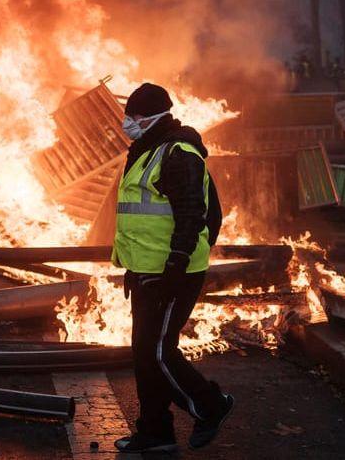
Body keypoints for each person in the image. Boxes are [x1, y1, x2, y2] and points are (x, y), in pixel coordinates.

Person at [111, 83, 234, 453]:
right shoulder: (147, 151)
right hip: (147, 272)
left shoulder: (179, 154)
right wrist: (133, 269)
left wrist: (176, 267)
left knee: (159, 352)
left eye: (132, 117)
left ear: (150, 117)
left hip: (171, 274)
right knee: (143, 354)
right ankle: (155, 433)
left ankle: (211, 406)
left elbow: (195, 215)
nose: (127, 123)